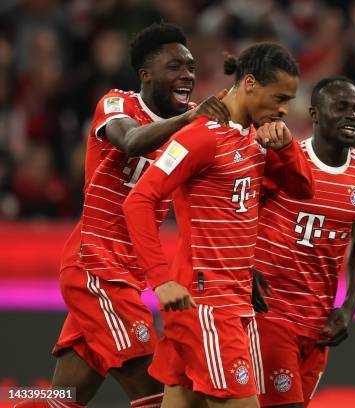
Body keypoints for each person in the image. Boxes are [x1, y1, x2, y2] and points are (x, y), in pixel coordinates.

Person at [15, 23, 230, 408]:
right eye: (175, 66)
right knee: (156, 389)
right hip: (94, 266)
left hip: (129, 276)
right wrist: (189, 120)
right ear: (145, 74)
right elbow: (130, 141)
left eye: (192, 67)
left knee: (61, 401)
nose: (188, 75)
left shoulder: (190, 134)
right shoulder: (117, 104)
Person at [122, 42, 314, 408]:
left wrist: (287, 147)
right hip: (209, 307)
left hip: (232, 301)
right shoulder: (201, 136)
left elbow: (302, 188)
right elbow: (139, 201)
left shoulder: (257, 137)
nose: (284, 109)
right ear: (251, 84)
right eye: (280, 97)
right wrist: (160, 281)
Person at [253, 77, 355, 407]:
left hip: (318, 325)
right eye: (340, 107)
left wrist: (349, 308)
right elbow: (237, 212)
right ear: (314, 113)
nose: (352, 115)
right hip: (270, 314)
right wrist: (243, 267)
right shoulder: (283, 158)